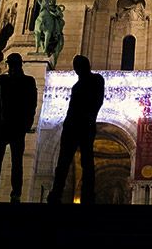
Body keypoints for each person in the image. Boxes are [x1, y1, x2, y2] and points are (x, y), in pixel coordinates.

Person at [47, 55, 105, 204]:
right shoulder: (76, 85)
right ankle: (56, 193)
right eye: (75, 67)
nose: (76, 69)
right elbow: (71, 108)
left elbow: (98, 101)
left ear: (86, 66)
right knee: (63, 161)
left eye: (78, 66)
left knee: (86, 160)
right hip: (72, 126)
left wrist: (90, 118)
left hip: (85, 124)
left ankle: (88, 195)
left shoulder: (96, 79)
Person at [0, 53, 37, 203]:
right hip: (1, 126)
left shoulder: (28, 81)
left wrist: (27, 124)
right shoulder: (1, 80)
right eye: (10, 64)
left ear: (20, 64)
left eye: (14, 64)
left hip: (17, 127)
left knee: (17, 162)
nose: (12, 67)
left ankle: (16, 193)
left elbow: (32, 105)